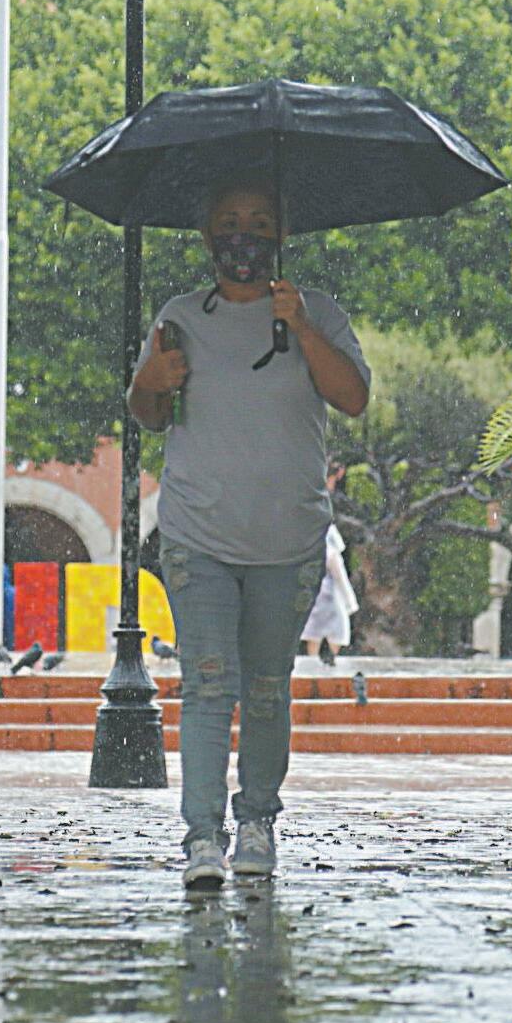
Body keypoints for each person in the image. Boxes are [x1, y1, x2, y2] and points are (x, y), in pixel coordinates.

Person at [129, 173, 370, 890]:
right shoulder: (180, 316)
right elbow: (148, 413)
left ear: (281, 236)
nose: (245, 236)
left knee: (266, 687)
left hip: (287, 541)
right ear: (209, 236)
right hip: (198, 536)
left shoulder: (317, 312)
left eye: (260, 222)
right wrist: (153, 377)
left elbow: (353, 397)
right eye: (231, 221)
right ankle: (203, 835)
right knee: (208, 685)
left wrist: (301, 327)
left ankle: (258, 820)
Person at [300, 522, 358, 663]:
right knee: (331, 634)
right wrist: (350, 602)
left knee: (316, 636)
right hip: (329, 600)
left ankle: (316, 663)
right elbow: (341, 579)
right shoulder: (331, 555)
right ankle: (323, 662)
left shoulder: (310, 554)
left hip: (317, 599)